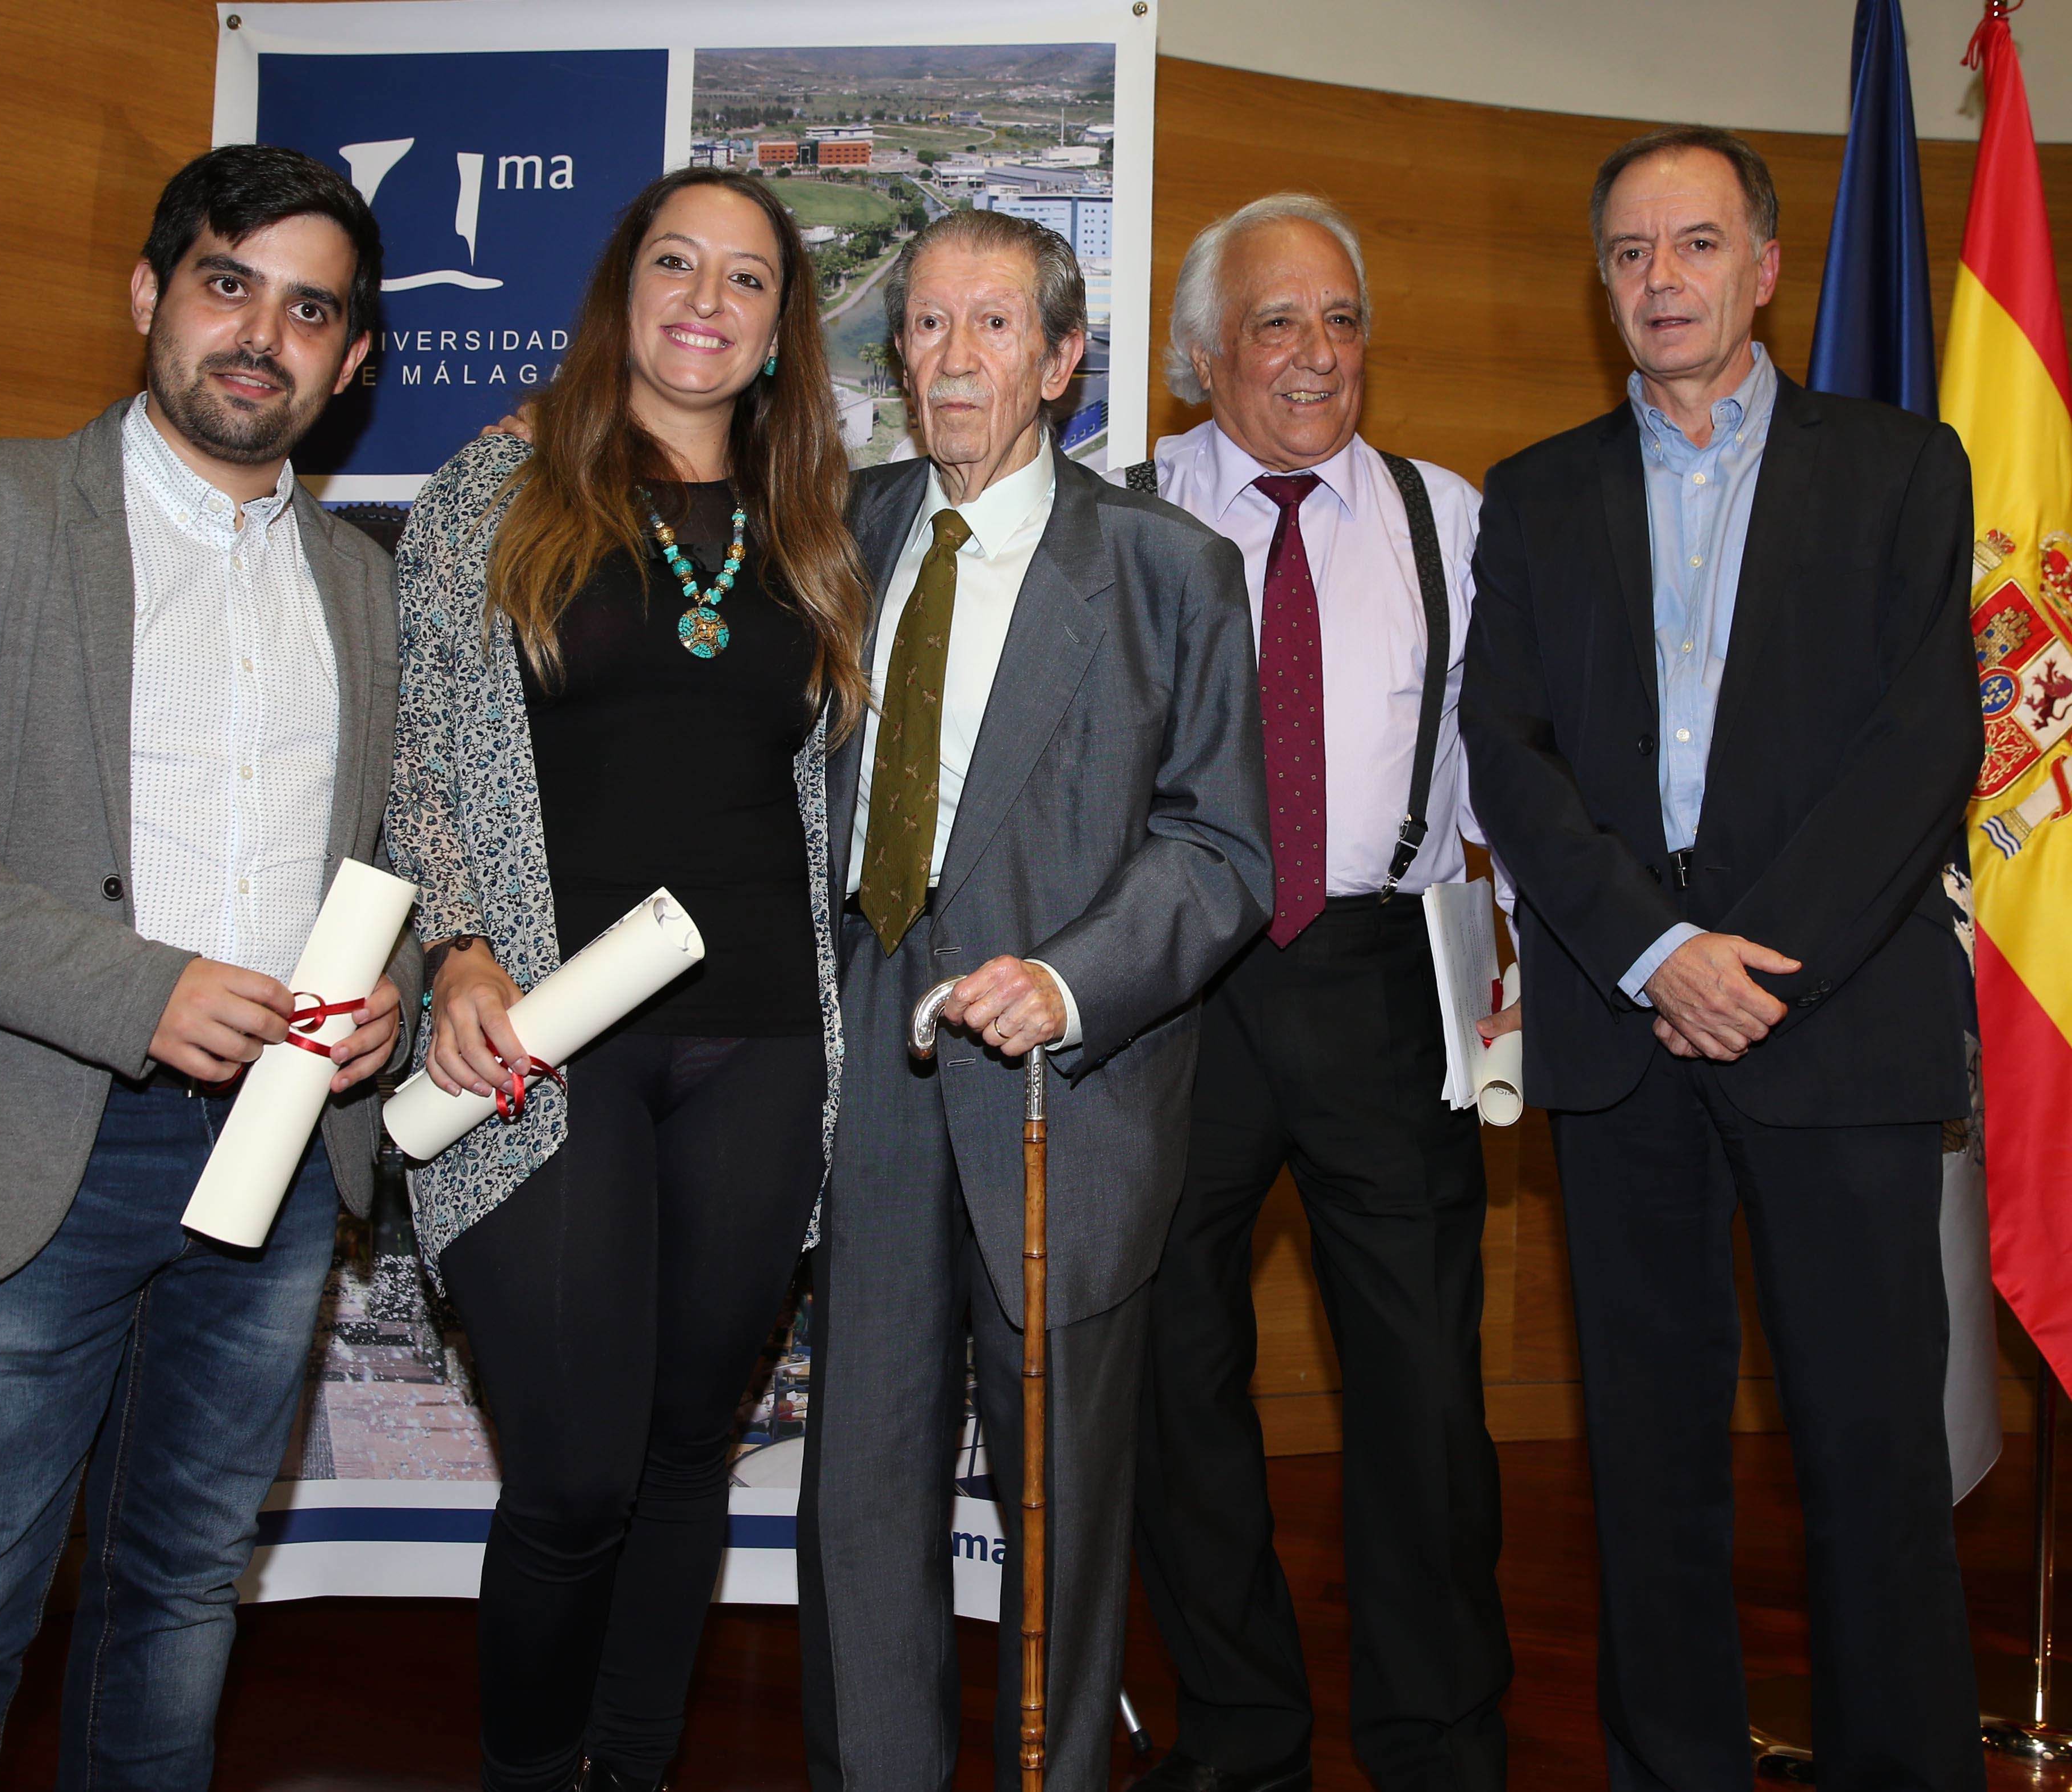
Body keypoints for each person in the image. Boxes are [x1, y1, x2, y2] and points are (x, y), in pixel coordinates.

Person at [0, 144, 414, 1789]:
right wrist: (137, 986)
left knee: (181, 1595)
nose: (261, 334)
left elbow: (368, 852)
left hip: (272, 1168)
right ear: (150, 293)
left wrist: (386, 1000)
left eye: (308, 309)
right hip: (20, 1143)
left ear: (349, 361)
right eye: (226, 283)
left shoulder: (365, 585)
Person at [1462, 126, 1983, 1790]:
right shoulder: (1536, 494)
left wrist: (1761, 962)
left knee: (1874, 1456)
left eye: (1694, 246)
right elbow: (1507, 747)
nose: (1660, 280)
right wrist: (1655, 946)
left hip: (1836, 1029)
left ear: (1764, 267)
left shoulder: (1903, 464)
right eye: (1628, 252)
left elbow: (1929, 741)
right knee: (1650, 1460)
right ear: (1601, 280)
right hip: (1627, 1041)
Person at [384, 165, 863, 1792]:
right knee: (575, 1476)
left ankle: (635, 1767)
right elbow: (428, 752)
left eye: (747, 280)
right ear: (621, 288)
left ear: (783, 330)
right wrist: (454, 941)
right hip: (548, 1041)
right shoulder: (493, 489)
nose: (708, 301)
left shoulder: (816, 525)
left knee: (679, 1455)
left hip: (764, 1043)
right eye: (678, 263)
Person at [798, 206, 1275, 1791]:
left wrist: (1071, 980)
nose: (950, 358)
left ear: (1065, 359)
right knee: (859, 1491)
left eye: (993, 326)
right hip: (865, 1052)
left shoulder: (1170, 570)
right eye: (925, 325)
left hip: (1062, 1086)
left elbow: (1221, 850)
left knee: (1061, 1511)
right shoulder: (838, 531)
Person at [1114, 194, 1515, 1792]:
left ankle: (1438, 1740)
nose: (1314, 352)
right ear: (1201, 353)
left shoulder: (1447, 514)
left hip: (1379, 976)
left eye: (1340, 319)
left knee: (1422, 1387)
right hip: (1173, 985)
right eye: (1276, 322)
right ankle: (1239, 1735)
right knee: (1169, 1378)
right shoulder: (1115, 510)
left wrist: (1522, 979)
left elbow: (1507, 764)